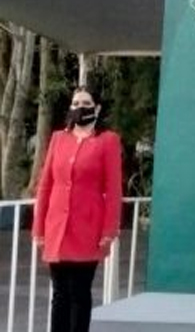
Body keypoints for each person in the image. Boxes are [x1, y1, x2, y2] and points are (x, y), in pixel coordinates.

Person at [32, 86, 122, 332]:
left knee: (79, 294)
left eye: (85, 102)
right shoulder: (58, 139)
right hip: (56, 228)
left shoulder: (108, 141)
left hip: (88, 229)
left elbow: (114, 190)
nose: (79, 107)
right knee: (59, 294)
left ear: (97, 108)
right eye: (75, 103)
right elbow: (45, 185)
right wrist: (38, 228)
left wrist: (109, 230)